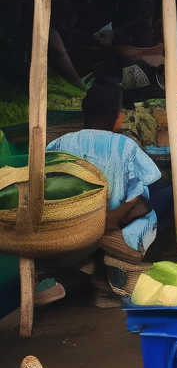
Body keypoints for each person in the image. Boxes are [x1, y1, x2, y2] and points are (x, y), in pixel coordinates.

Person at [47, 80, 161, 260]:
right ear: (114, 115)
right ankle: (125, 250)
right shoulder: (125, 145)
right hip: (112, 224)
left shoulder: (59, 144)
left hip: (70, 225)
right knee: (158, 198)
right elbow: (147, 184)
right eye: (120, 111)